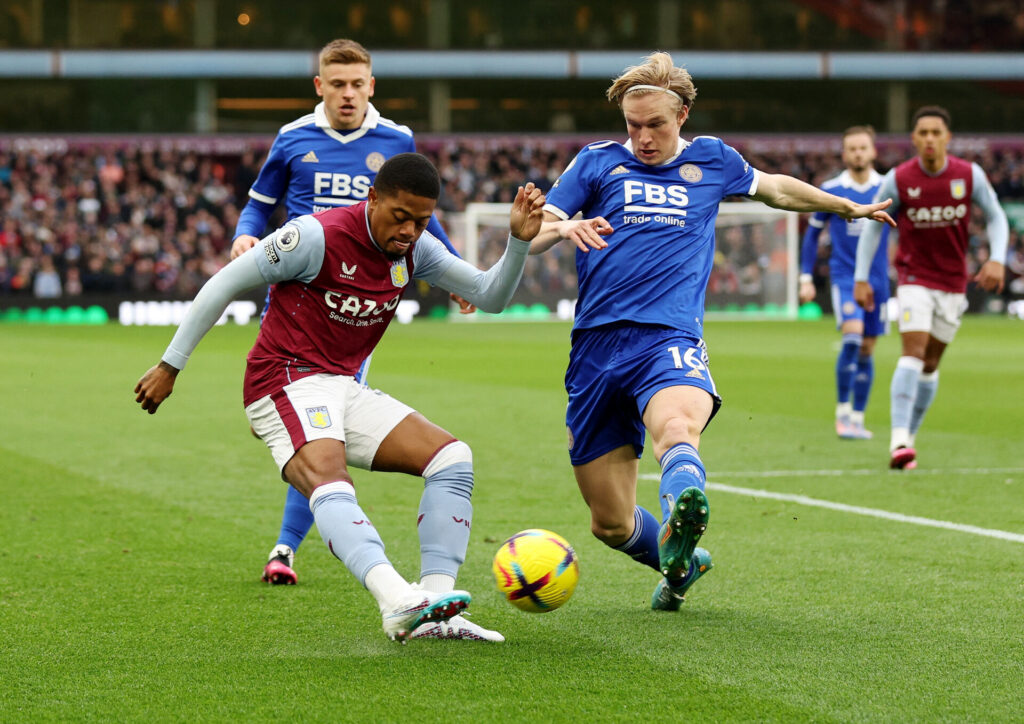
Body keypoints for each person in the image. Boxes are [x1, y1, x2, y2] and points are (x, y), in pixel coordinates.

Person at [528, 52, 894, 612]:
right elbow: (533, 234)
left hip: (668, 337)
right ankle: (680, 563)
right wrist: (564, 226)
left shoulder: (713, 161)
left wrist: (844, 205)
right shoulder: (596, 163)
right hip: (595, 348)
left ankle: (684, 502)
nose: (644, 137)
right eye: (633, 125)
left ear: (683, 115)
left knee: (676, 426)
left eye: (656, 125)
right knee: (609, 521)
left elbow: (776, 189)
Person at [135, 153, 546, 642]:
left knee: (453, 460)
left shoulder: (418, 249)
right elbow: (225, 282)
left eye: (420, 221)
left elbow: (490, 296)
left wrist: (518, 241)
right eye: (400, 217)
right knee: (331, 479)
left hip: (342, 385)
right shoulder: (316, 236)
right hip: (281, 379)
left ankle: (436, 608)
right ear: (372, 198)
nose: (410, 231)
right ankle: (396, 600)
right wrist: (170, 364)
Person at [229, 39, 473, 589]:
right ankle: (294, 547)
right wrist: (246, 236)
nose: (346, 93)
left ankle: (286, 546)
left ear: (371, 87)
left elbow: (421, 222)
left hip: (356, 303)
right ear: (320, 86)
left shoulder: (397, 142)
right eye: (336, 84)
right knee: (320, 432)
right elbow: (259, 204)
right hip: (297, 298)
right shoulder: (293, 138)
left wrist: (453, 271)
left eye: (356, 84)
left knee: (326, 433)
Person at [854, 105, 1008, 470]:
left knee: (931, 362)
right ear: (914, 138)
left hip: (954, 284)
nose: (929, 139)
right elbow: (874, 224)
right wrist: (862, 276)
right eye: (922, 133)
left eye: (935, 133)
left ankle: (910, 438)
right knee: (914, 351)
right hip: (913, 279)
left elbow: (998, 215)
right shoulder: (899, 178)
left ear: (947, 138)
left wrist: (997, 257)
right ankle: (899, 440)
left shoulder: (969, 175)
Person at [799, 126, 891, 440]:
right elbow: (811, 236)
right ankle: (841, 414)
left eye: (863, 148)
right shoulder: (832, 189)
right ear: (844, 154)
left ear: (873, 151)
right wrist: (805, 277)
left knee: (867, 348)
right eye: (852, 149)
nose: (857, 154)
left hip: (878, 281)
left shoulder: (887, 189)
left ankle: (857, 418)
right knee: (852, 339)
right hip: (845, 278)